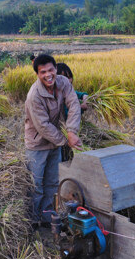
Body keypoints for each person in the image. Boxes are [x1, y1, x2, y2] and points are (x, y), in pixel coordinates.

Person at [25, 54, 82, 226]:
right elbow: (43, 126)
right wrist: (65, 141)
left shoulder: (63, 82)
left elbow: (73, 104)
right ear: (37, 74)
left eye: (51, 70)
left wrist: (71, 131)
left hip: (55, 142)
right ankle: (33, 220)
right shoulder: (34, 96)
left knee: (52, 182)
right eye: (43, 72)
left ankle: (46, 215)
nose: (48, 75)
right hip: (37, 145)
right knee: (36, 184)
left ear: (56, 69)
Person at [56, 62, 88, 161]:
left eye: (70, 77)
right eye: (64, 77)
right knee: (63, 160)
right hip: (60, 136)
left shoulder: (70, 91)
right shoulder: (56, 95)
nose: (68, 80)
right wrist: (79, 107)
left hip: (71, 134)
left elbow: (82, 94)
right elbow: (66, 115)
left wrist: (86, 98)